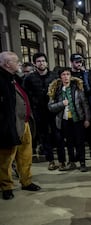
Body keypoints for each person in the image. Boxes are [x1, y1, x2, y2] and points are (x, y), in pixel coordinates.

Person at [0, 51, 41, 200]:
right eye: (16, 61)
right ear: (7, 64)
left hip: (24, 123)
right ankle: (7, 187)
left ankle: (26, 181)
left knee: (25, 155)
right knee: (6, 158)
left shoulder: (15, 77)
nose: (19, 63)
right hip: (9, 125)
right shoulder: (1, 79)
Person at [23, 52, 63, 170]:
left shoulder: (54, 76)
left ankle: (62, 161)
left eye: (43, 61)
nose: (41, 63)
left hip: (54, 110)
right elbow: (26, 95)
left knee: (58, 135)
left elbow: (60, 92)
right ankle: (50, 160)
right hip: (39, 111)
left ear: (46, 62)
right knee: (44, 136)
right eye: (39, 61)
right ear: (35, 64)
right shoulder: (29, 78)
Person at [48, 67, 91, 172]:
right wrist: (61, 104)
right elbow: (50, 107)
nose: (66, 76)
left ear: (71, 76)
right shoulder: (56, 90)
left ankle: (82, 163)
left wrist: (87, 119)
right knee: (69, 143)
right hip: (64, 121)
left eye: (68, 74)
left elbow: (85, 104)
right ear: (60, 77)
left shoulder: (77, 88)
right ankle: (71, 162)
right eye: (63, 74)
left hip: (78, 119)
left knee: (80, 142)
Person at [70, 53, 91, 160]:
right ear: (72, 62)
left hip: (86, 104)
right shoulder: (69, 74)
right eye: (76, 62)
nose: (79, 64)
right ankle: (78, 152)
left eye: (80, 61)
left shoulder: (85, 74)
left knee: (89, 129)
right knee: (76, 131)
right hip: (74, 104)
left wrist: (84, 73)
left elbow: (89, 89)